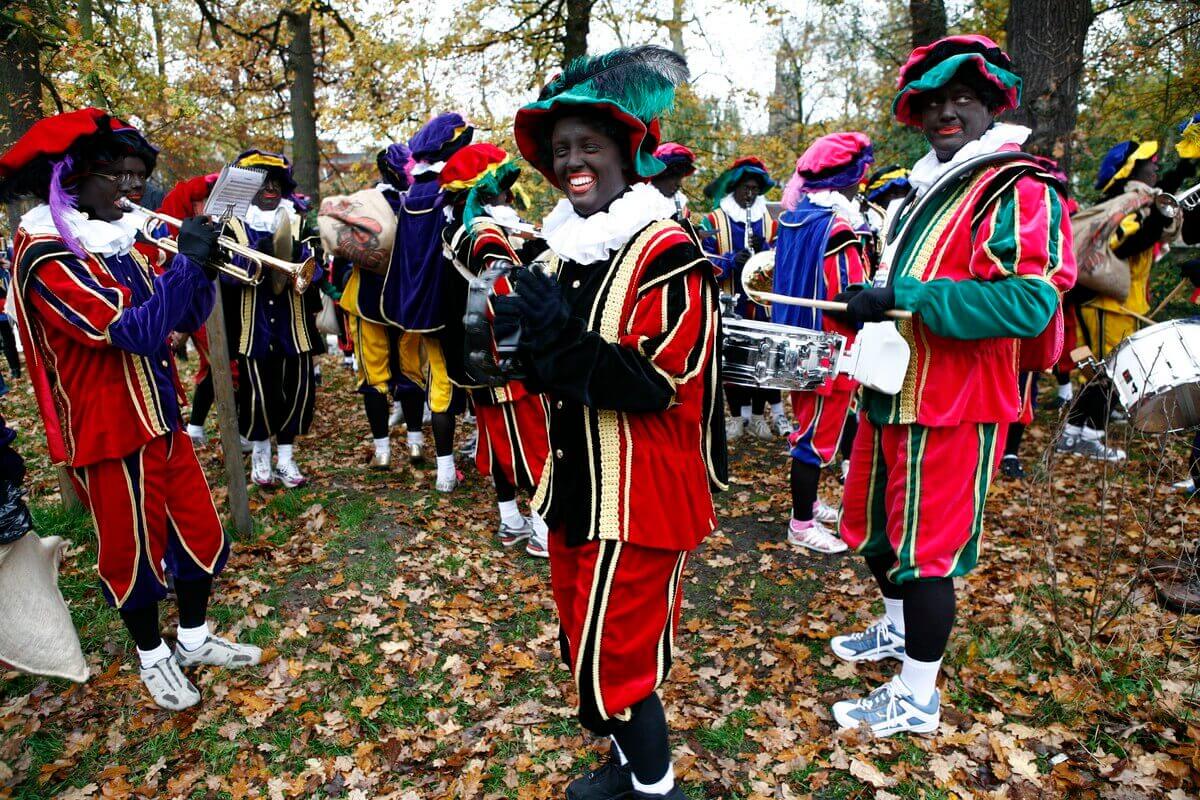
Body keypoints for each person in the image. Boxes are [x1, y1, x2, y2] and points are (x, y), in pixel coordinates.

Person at [826, 36, 1075, 736]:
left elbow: (1029, 302)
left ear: (991, 105)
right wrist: (873, 299)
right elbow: (909, 286)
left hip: (955, 402)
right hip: (890, 388)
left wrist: (905, 294)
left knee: (926, 555)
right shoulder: (927, 185)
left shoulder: (1017, 184)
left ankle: (917, 696)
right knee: (876, 535)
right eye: (933, 101)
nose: (945, 113)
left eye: (962, 100)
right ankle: (897, 631)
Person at [504, 45, 724, 799]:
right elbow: (550, 368)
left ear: (626, 155)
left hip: (640, 492)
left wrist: (559, 338)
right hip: (575, 486)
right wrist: (518, 343)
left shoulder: (667, 248)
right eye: (562, 148)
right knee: (583, 639)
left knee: (616, 658)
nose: (573, 160)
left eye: (588, 146)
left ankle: (655, 790)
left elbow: (658, 381)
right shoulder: (564, 248)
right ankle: (630, 767)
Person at [1, 108, 261, 710]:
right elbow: (137, 331)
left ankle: (193, 639)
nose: (131, 187)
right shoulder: (44, 255)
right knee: (132, 550)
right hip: (106, 428)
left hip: (160, 412)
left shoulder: (123, 237)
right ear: (72, 180)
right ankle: (152, 656)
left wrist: (202, 264)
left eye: (138, 175)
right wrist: (189, 261)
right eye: (117, 175)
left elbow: (183, 318)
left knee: (198, 529)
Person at [437, 142, 551, 557]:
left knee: (497, 437)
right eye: (504, 190)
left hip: (478, 354)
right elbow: (508, 290)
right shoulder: (486, 233)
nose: (510, 197)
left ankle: (511, 521)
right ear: (488, 194)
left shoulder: (457, 231)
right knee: (536, 436)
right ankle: (541, 529)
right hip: (508, 351)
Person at [774, 132, 874, 554]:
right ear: (849, 180)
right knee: (814, 439)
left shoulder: (797, 218)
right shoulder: (836, 227)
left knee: (808, 430)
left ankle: (810, 503)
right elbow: (844, 297)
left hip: (798, 341)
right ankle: (801, 523)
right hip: (830, 349)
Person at [1058, 140, 1180, 461]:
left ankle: (1073, 435)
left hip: (1124, 306)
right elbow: (1123, 246)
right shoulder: (1123, 205)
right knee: (1110, 373)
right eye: (1148, 162)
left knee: (1105, 374)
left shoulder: (1144, 203)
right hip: (1104, 304)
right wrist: (1154, 216)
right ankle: (1090, 436)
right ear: (1130, 169)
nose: (1155, 167)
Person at [390, 114, 475, 491]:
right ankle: (463, 465)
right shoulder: (451, 190)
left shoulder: (412, 194)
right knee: (474, 382)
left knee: (440, 384)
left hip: (423, 307)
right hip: (456, 303)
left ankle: (446, 469)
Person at [224, 150, 320, 487]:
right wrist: (261, 253)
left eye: (277, 182)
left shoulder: (297, 219)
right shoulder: (233, 222)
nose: (271, 188)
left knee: (296, 392)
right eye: (264, 181)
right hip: (254, 325)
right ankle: (261, 459)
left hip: (294, 325)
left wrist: (303, 264)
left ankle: (287, 460)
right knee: (258, 394)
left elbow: (314, 266)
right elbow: (226, 276)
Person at [699, 156, 787, 441]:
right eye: (745, 188)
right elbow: (704, 259)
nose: (750, 194)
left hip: (761, 304)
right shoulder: (713, 220)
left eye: (754, 189)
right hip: (728, 300)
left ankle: (759, 417)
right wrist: (728, 261)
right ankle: (737, 417)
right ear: (734, 188)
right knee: (732, 359)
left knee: (764, 358)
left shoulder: (769, 222)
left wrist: (768, 252)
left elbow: (783, 261)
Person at [650, 142, 697, 219]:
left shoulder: (680, 206)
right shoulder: (640, 203)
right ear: (659, 176)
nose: (679, 184)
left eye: (680, 178)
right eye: (674, 177)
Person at [0, 246, 20, 380]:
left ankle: (37, 363)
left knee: (25, 334)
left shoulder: (10, 251)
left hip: (16, 299)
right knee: (7, 339)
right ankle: (15, 368)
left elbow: (22, 268)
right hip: (1, 307)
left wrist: (11, 266)